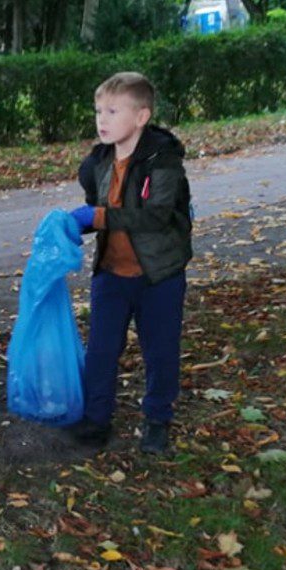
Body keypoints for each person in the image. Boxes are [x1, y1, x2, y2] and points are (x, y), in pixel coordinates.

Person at [66, 72, 193, 455]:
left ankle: (157, 420)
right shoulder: (97, 162)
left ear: (141, 117)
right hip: (111, 274)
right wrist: (71, 227)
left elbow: (155, 216)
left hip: (159, 276)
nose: (101, 120)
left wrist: (97, 218)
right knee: (101, 351)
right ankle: (96, 420)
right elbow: (97, 211)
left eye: (112, 111)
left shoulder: (163, 160)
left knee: (160, 351)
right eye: (98, 111)